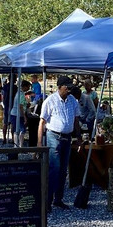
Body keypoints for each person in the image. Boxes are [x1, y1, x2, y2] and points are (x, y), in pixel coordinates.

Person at [38, 76, 79, 210]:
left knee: (62, 171)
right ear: (60, 87)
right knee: (54, 169)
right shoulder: (50, 101)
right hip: (53, 136)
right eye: (66, 87)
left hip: (67, 137)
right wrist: (39, 143)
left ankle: (58, 199)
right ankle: (47, 201)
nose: (68, 90)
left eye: (69, 87)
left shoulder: (72, 100)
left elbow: (76, 120)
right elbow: (42, 122)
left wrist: (78, 137)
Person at [9, 79, 30, 145]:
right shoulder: (21, 94)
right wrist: (24, 117)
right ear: (25, 87)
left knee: (15, 130)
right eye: (28, 87)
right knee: (22, 130)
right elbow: (20, 106)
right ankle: (20, 145)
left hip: (13, 113)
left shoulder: (18, 93)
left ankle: (16, 144)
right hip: (18, 114)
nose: (29, 88)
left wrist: (26, 104)